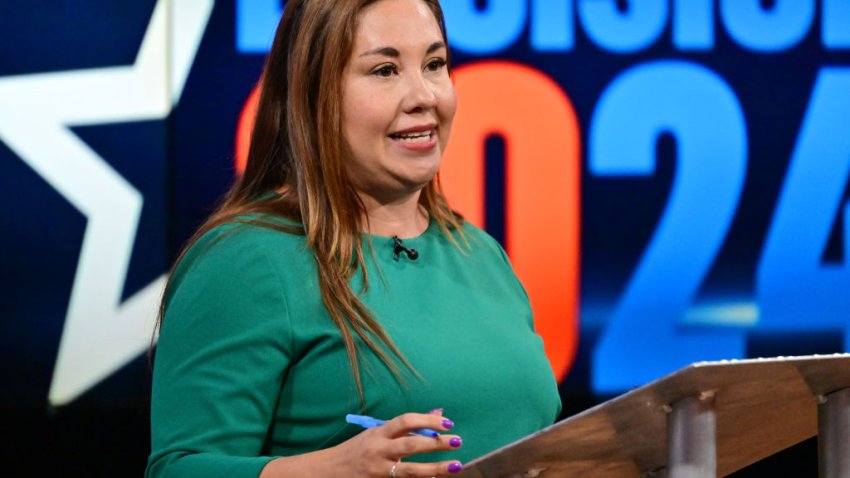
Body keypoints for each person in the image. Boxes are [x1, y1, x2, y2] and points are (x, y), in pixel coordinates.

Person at [146, 0, 561, 476]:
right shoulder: (246, 261)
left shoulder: (480, 252)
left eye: (435, 63)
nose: (423, 94)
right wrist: (330, 470)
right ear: (313, 95)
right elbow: (178, 469)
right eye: (385, 70)